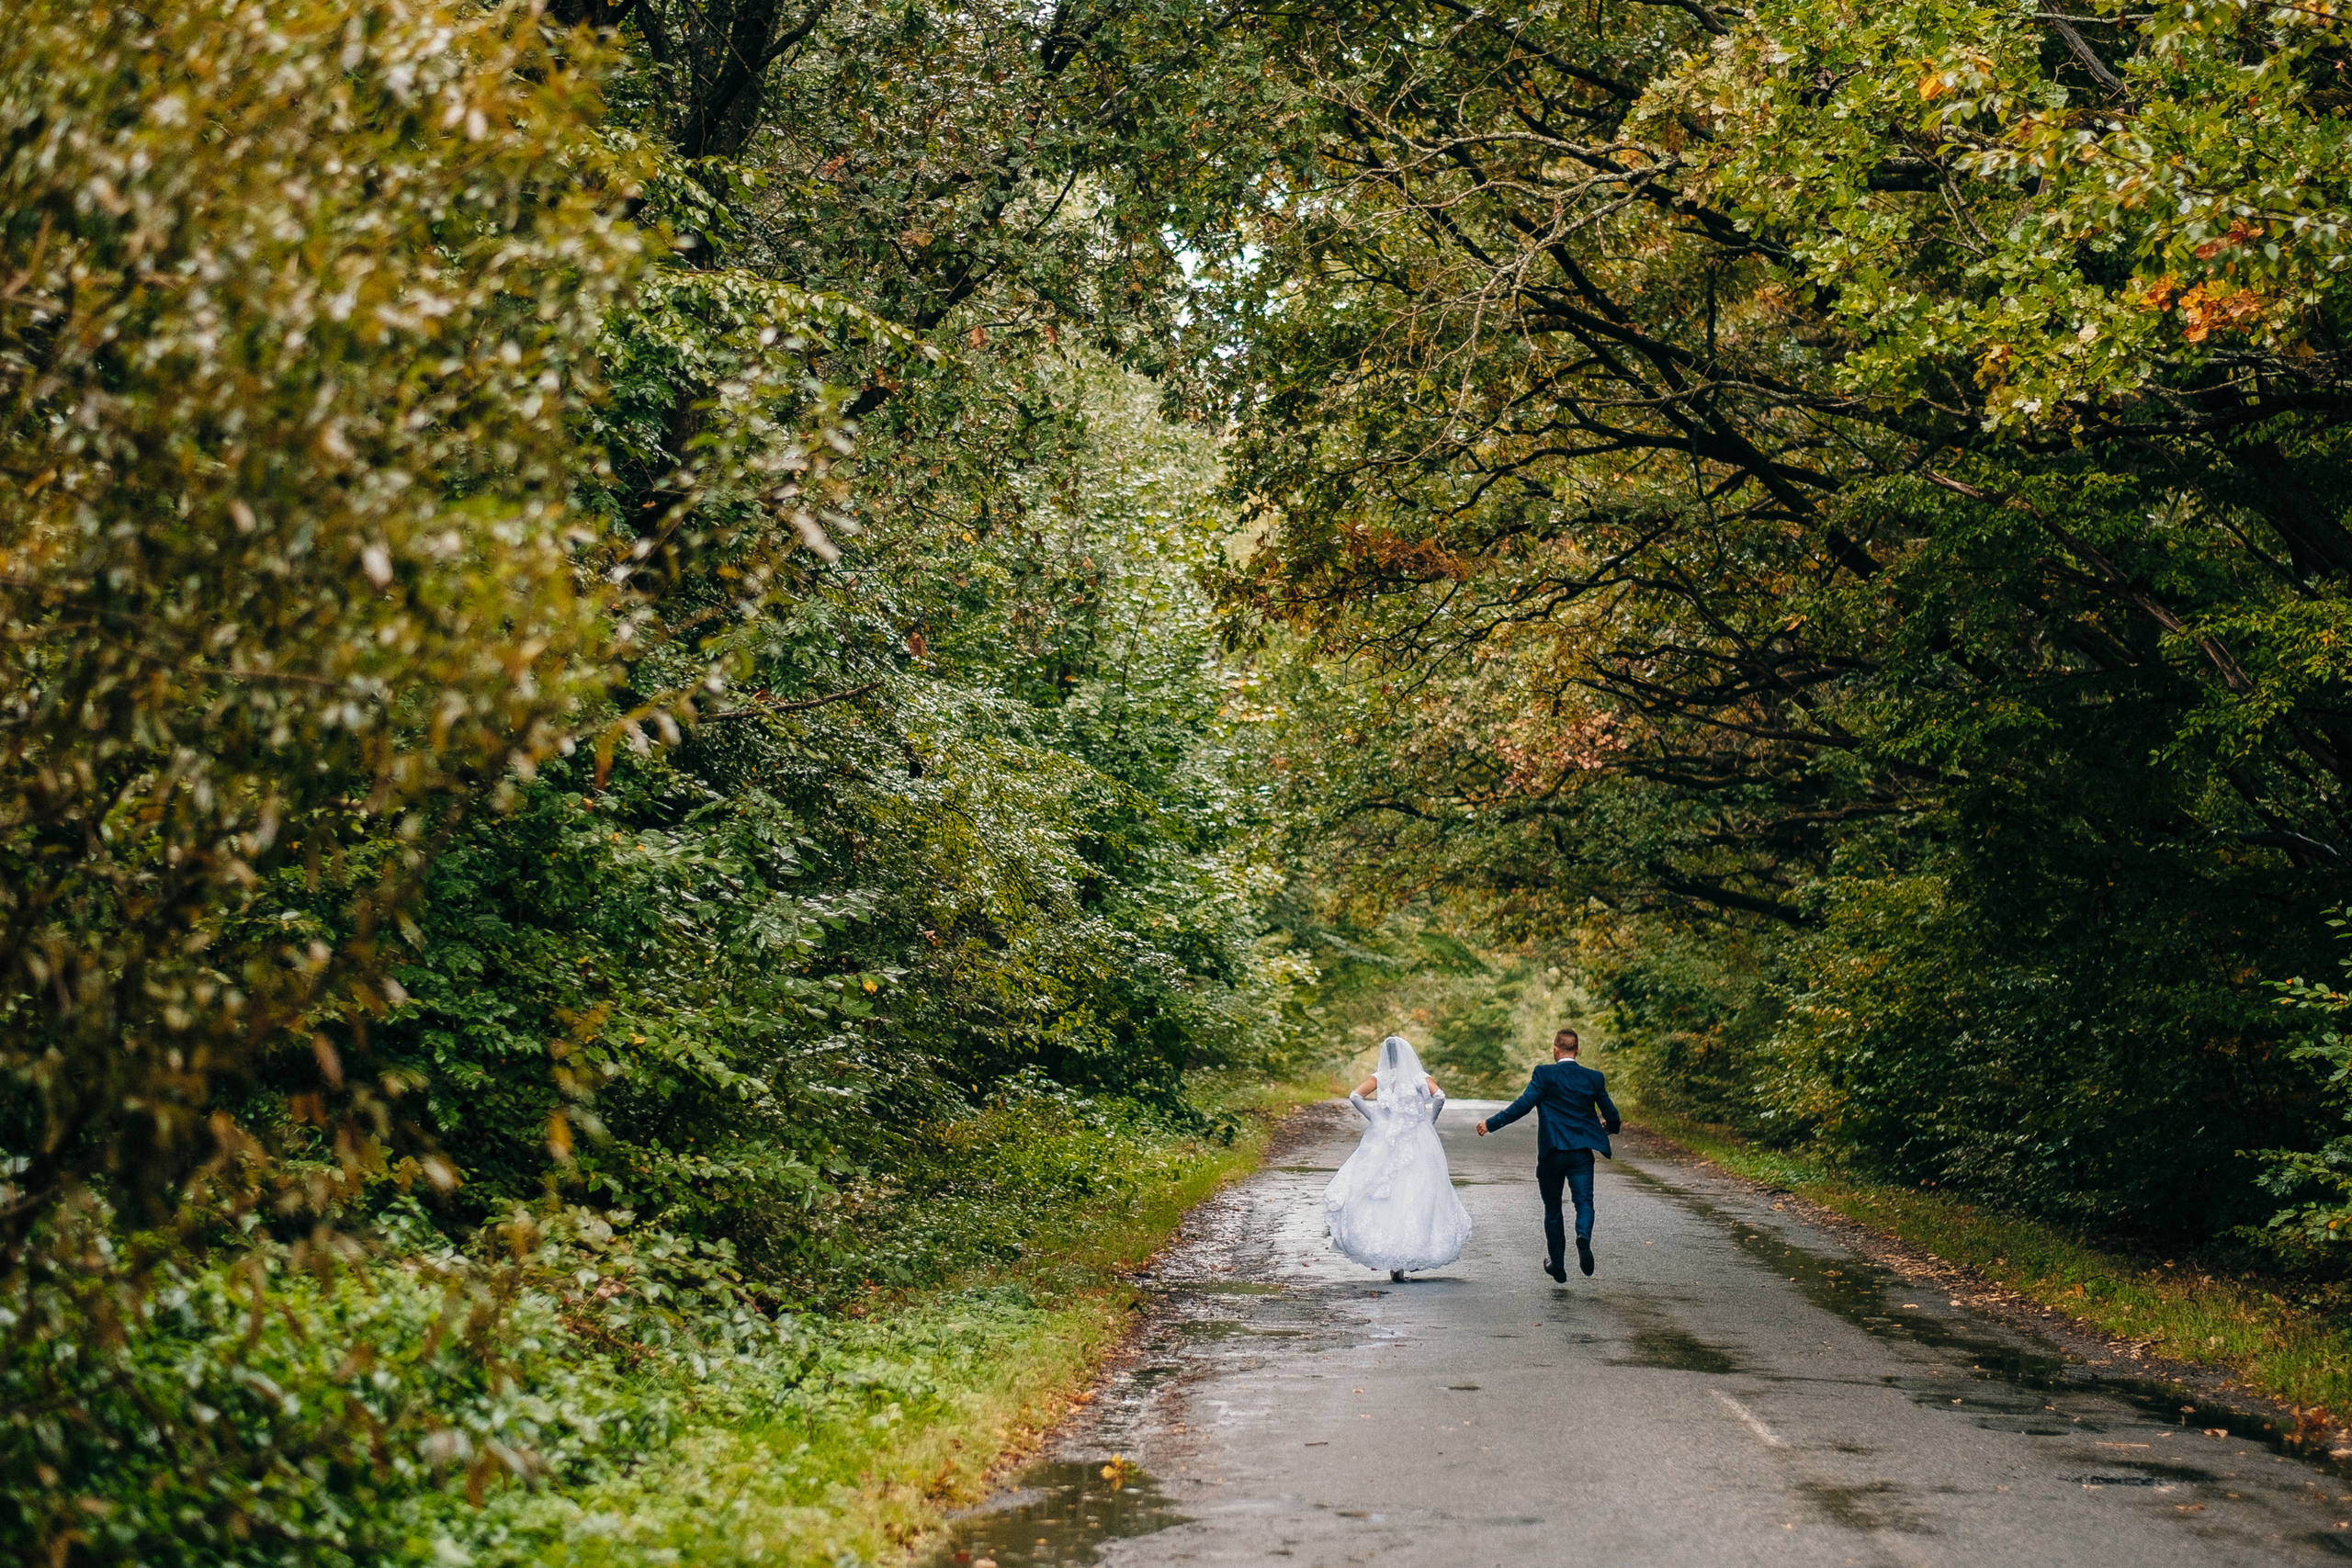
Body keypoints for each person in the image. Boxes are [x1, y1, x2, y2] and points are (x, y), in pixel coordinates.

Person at [1476, 1028, 1621, 1281]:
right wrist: (1610, 1128)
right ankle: (1583, 1236)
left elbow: (1523, 1105)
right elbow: (1612, 1116)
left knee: (1553, 1209)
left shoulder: (1544, 1074)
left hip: (1552, 1153)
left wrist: (1491, 1124)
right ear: (1578, 1050)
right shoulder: (1593, 1078)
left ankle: (1558, 1265)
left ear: (1555, 1050)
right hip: (1580, 1154)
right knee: (1584, 1201)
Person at [1324, 1035, 1473, 1281]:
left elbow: (1354, 1096)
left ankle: (1394, 1258)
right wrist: (1429, 1121)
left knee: (1385, 1192)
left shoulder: (1380, 1078)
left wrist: (1375, 1119)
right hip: (1416, 1136)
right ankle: (1411, 1252)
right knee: (1418, 1191)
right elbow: (1441, 1096)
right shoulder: (1418, 1076)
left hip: (1385, 1138)